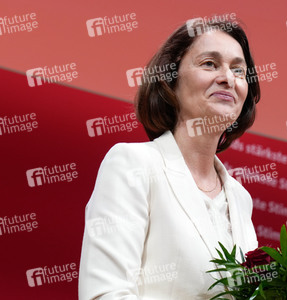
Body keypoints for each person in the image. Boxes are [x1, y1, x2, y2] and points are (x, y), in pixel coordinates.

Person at [79, 18, 261, 300]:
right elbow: (105, 294)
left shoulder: (240, 198)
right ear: (170, 79)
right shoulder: (132, 164)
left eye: (239, 70)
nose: (228, 77)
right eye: (210, 64)